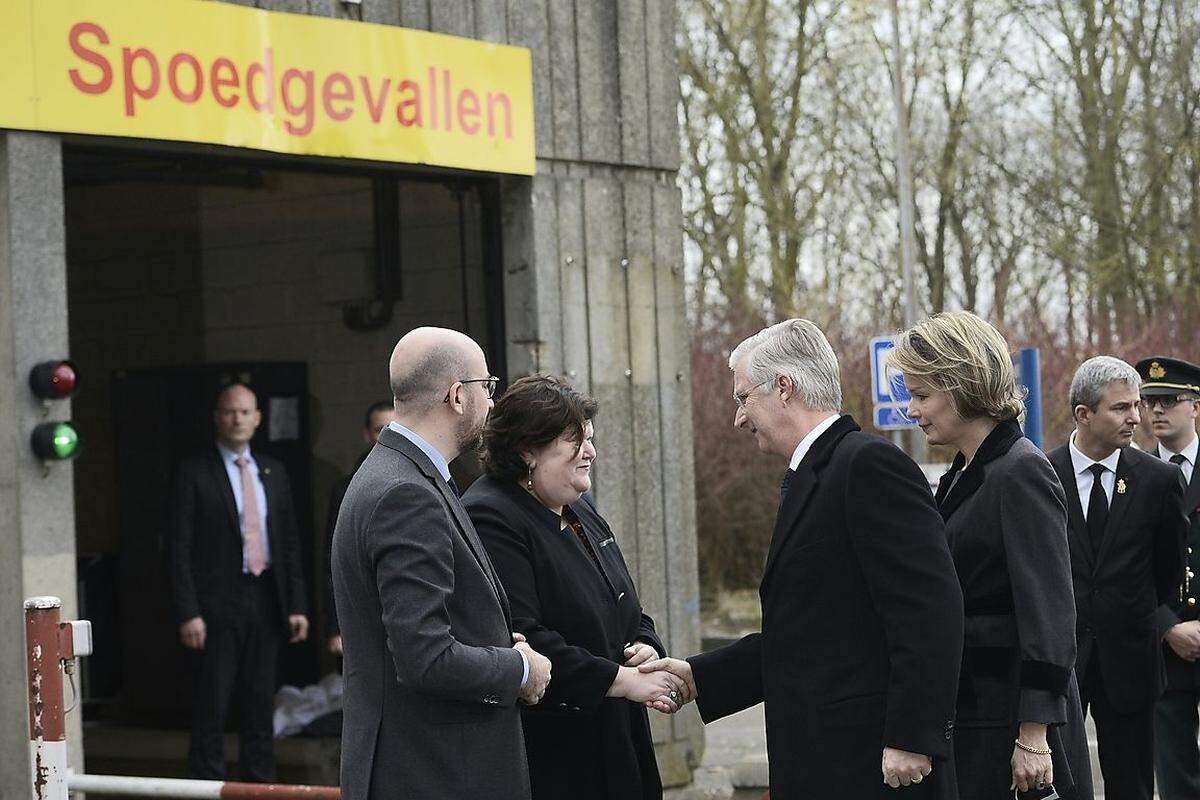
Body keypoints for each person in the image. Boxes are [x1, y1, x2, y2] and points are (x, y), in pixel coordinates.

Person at [641, 318, 965, 798]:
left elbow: (930, 611)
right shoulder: (816, 474)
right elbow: (813, 633)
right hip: (827, 763)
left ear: (785, 388)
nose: (738, 417)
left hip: (871, 767)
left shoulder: (868, 467)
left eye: (743, 398)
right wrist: (700, 675)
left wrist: (911, 737)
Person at [331, 327, 551, 800]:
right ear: (457, 395)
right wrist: (518, 670)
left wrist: (494, 642)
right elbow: (424, 657)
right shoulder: (405, 492)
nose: (492, 403)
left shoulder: (395, 473)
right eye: (487, 388)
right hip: (433, 773)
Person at [890, 311, 1093, 800]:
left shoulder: (1020, 471)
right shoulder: (967, 470)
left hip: (1014, 724)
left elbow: (1049, 614)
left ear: (962, 386)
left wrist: (1034, 736)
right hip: (980, 711)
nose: (911, 412)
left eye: (921, 396)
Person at [463, 375, 682, 800]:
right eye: (575, 441)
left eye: (590, 438)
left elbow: (624, 605)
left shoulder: (578, 504)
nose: (591, 453)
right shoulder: (491, 517)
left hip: (618, 739)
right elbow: (523, 636)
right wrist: (622, 679)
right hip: (560, 756)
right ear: (528, 449)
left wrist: (645, 643)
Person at [1046, 356, 1185, 800]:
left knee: (1132, 786)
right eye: (1121, 408)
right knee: (1061, 786)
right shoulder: (1042, 474)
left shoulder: (1158, 480)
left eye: (1137, 405)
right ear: (1083, 414)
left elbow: (1166, 572)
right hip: (1062, 661)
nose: (1136, 417)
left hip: (1131, 661)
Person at [167, 382, 309, 781]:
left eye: (245, 412)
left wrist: (297, 604)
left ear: (258, 418)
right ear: (217, 418)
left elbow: (289, 544)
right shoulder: (195, 471)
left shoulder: (273, 471)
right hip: (215, 606)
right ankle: (205, 784)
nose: (238, 419)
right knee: (212, 703)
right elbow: (178, 547)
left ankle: (260, 784)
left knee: (260, 703)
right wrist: (188, 611)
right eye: (230, 412)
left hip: (265, 599)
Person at [1136, 356, 1200, 800]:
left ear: (1194, 405)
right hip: (1167, 647)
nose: (1156, 410)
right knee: (1177, 780)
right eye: (1149, 401)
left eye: (1169, 400)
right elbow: (1120, 566)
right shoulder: (1133, 476)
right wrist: (1167, 625)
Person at [322, 400, 395, 656]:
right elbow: (334, 562)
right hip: (362, 612)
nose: (386, 437)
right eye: (379, 430)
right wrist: (336, 628)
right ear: (367, 434)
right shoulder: (346, 490)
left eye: (393, 428)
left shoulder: (426, 480)